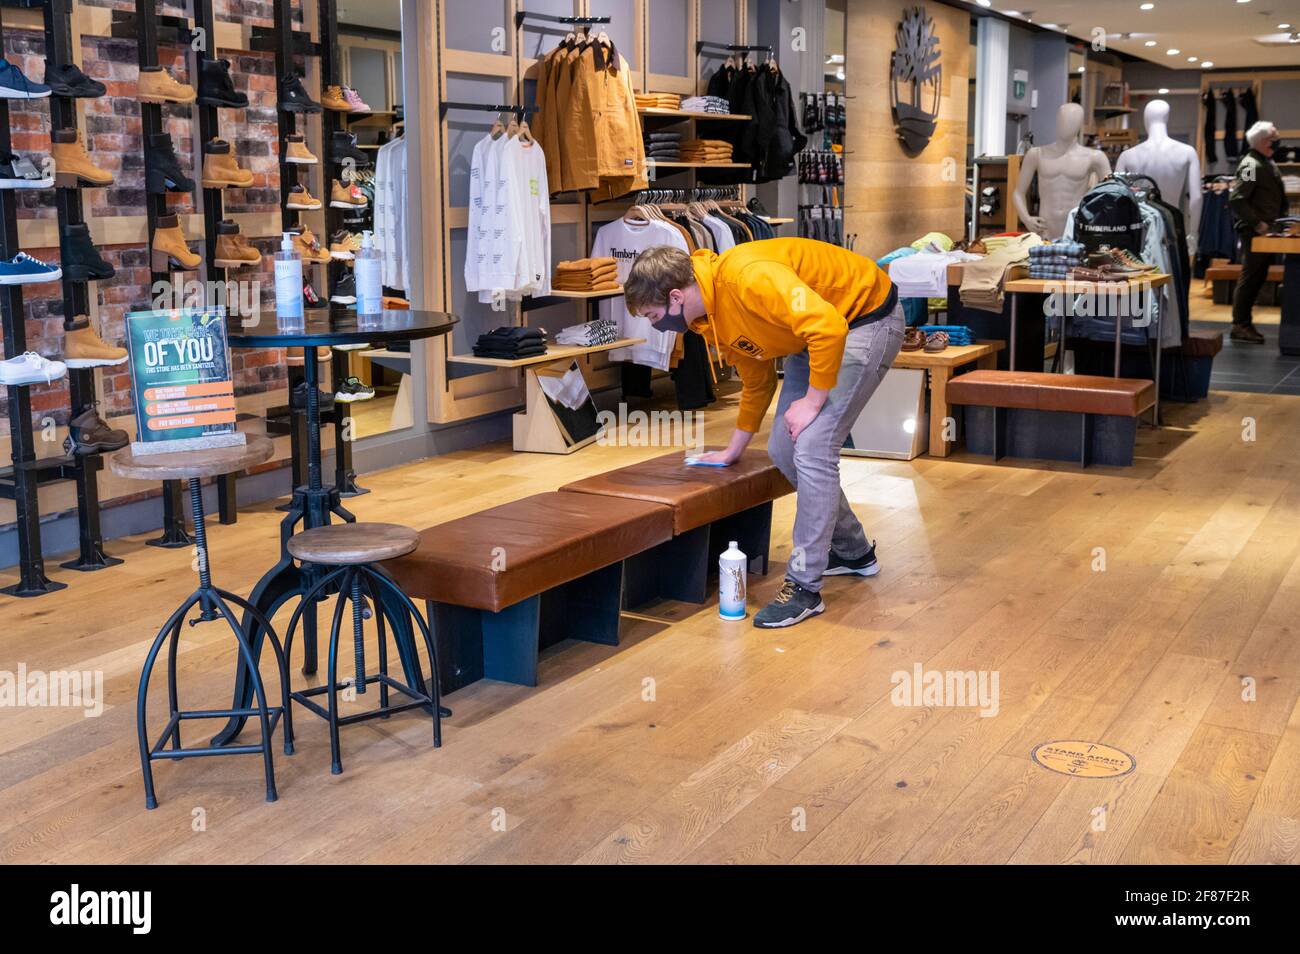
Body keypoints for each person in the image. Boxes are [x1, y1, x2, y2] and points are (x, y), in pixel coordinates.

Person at [623, 237, 904, 629]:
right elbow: (757, 377)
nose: (658, 326)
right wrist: (733, 448)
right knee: (784, 449)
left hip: (863, 319)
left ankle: (805, 587)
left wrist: (812, 402)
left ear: (675, 297)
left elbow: (828, 328)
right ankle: (852, 550)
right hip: (811, 338)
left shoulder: (748, 278)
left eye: (654, 316)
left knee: (813, 447)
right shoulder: (708, 318)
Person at [1229, 121, 1288, 344]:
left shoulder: (1264, 161)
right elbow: (1238, 199)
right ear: (1263, 141)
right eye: (1274, 138)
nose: (1278, 142)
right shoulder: (1251, 165)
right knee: (1251, 276)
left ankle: (1244, 323)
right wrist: (1258, 224)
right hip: (1255, 232)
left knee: (1258, 276)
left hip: (1268, 231)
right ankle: (1240, 324)